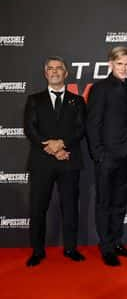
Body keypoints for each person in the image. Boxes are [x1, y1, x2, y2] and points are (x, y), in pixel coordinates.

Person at [24, 56, 86, 267]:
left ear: (66, 73)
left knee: (70, 207)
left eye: (59, 68)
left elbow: (80, 129)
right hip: (42, 161)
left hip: (69, 160)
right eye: (50, 68)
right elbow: (30, 129)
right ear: (45, 73)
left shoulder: (77, 101)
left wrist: (61, 144)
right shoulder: (34, 99)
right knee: (38, 207)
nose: (55, 71)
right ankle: (38, 251)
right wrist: (51, 148)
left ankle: (70, 248)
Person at [86, 46, 127, 266]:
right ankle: (106, 247)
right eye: (120, 64)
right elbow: (93, 123)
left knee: (120, 202)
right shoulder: (100, 88)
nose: (124, 68)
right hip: (107, 156)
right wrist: (99, 154)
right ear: (110, 64)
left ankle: (117, 243)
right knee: (104, 202)